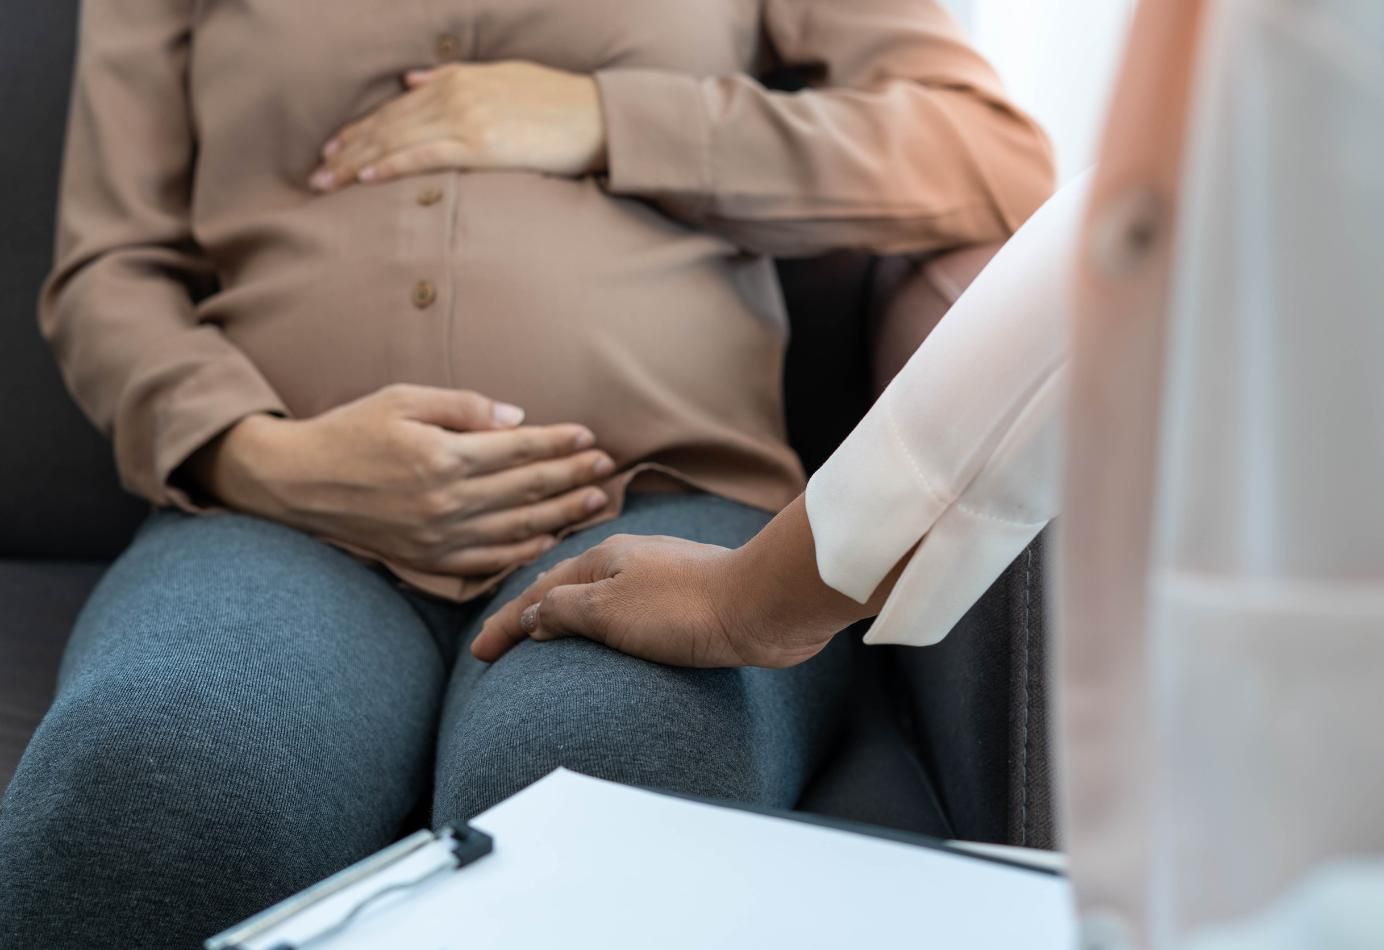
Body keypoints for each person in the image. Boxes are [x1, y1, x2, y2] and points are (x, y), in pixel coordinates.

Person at [0, 0, 1056, 945]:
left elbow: (995, 156)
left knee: (605, 793)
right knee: (148, 788)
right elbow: (110, 268)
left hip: (660, 510)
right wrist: (259, 452)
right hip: (276, 519)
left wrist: (605, 118)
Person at [476, 0, 1384, 946]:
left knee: (587, 760)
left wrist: (612, 117)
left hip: (674, 484)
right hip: (333, 532)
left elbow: (1057, 182)